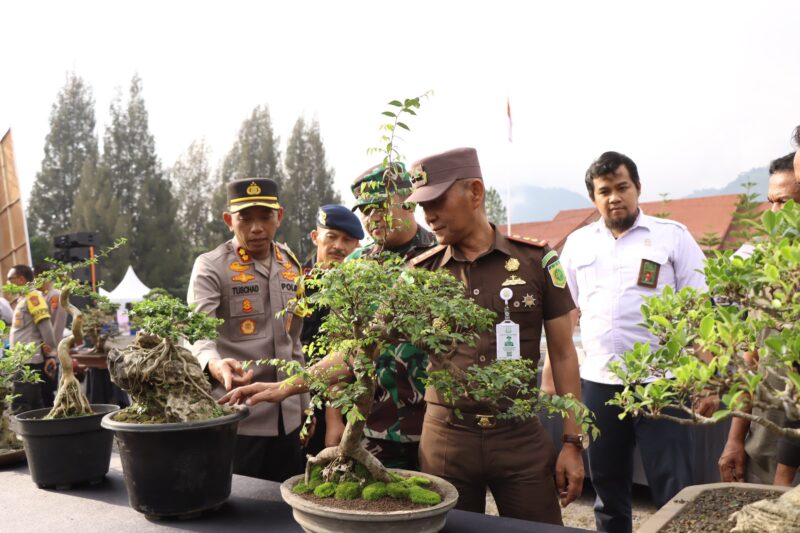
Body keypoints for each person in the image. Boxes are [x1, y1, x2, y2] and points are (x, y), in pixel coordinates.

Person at [406, 147, 585, 523]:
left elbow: (565, 354)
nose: (428, 215)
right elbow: (366, 345)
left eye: (436, 201)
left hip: (518, 437)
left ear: (474, 192)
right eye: (422, 205)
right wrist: (295, 383)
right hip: (446, 441)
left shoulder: (537, 261)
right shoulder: (419, 274)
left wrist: (572, 442)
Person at [555, 151, 710, 533]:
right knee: (607, 486)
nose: (614, 197)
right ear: (593, 198)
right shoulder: (576, 245)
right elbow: (562, 315)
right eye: (604, 190)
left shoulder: (671, 236)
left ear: (637, 188)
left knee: (676, 488)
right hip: (600, 384)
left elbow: (700, 312)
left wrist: (707, 375)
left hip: (664, 382)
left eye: (622, 187)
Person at [187, 178, 308, 482]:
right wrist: (214, 364)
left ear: (278, 216)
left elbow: (295, 339)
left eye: (265, 217)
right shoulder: (211, 266)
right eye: (245, 218)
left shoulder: (291, 266)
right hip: (239, 419)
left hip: (289, 418)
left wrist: (305, 407)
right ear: (230, 221)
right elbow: (198, 332)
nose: (256, 228)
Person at [343, 162, 437, 469]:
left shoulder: (439, 254)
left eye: (380, 207)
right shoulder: (356, 265)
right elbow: (340, 344)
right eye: (365, 211)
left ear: (409, 203)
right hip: (372, 423)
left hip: (434, 423)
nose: (372, 219)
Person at [718, 153, 800, 486]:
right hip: (763, 442)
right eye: (771, 202)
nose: (775, 214)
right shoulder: (762, 270)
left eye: (786, 202)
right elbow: (749, 363)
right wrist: (735, 438)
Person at [300, 204, 363, 456]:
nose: (339, 246)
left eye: (347, 240)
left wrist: (333, 415)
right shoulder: (295, 282)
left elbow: (344, 350)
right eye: (332, 237)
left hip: (342, 399)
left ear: (356, 246)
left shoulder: (358, 289)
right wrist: (302, 410)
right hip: (298, 397)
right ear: (316, 237)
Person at [7, 265, 58, 413]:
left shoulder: (33, 297)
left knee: (20, 404)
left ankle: (23, 436)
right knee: (35, 406)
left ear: (21, 279)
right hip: (23, 360)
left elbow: (46, 327)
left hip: (28, 361)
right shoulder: (23, 299)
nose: (8, 284)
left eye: (11, 279)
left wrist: (50, 355)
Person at [33, 264, 68, 407]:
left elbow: (57, 326)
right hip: (40, 351)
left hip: (49, 353)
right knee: (40, 392)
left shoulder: (55, 296)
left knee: (48, 392)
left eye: (35, 278)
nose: (33, 282)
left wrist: (51, 353)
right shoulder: (41, 296)